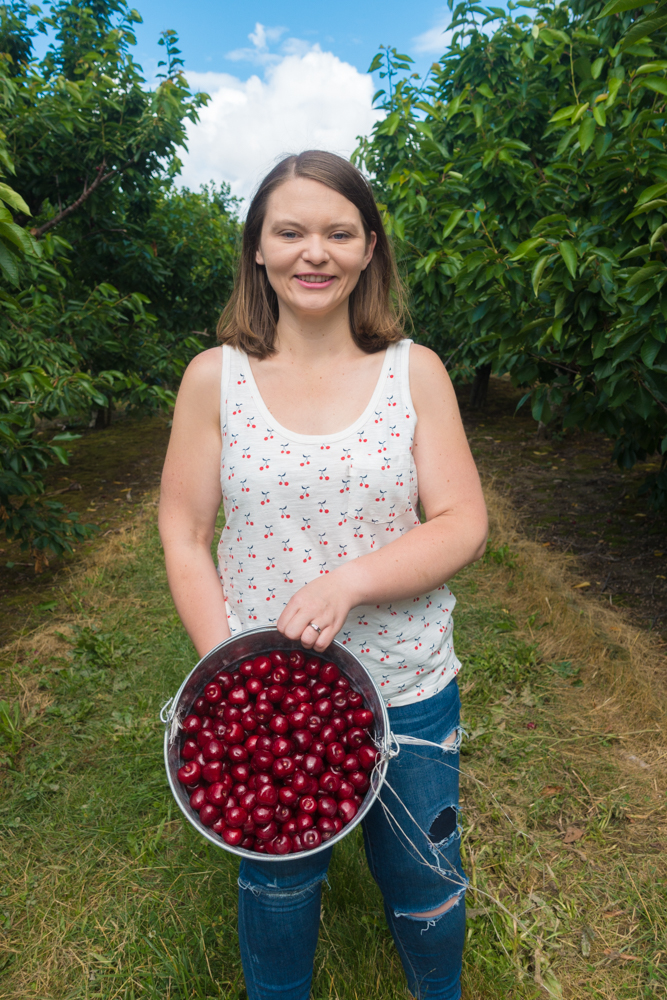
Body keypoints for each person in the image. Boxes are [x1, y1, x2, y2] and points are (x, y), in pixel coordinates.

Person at [159, 150, 488, 1000]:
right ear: (258, 249)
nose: (316, 252)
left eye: (339, 232)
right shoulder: (213, 380)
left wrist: (349, 582)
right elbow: (185, 531)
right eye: (291, 231)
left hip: (407, 678)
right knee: (275, 883)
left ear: (368, 249)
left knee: (423, 876)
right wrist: (227, 666)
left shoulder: (412, 372)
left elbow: (461, 522)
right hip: (268, 683)